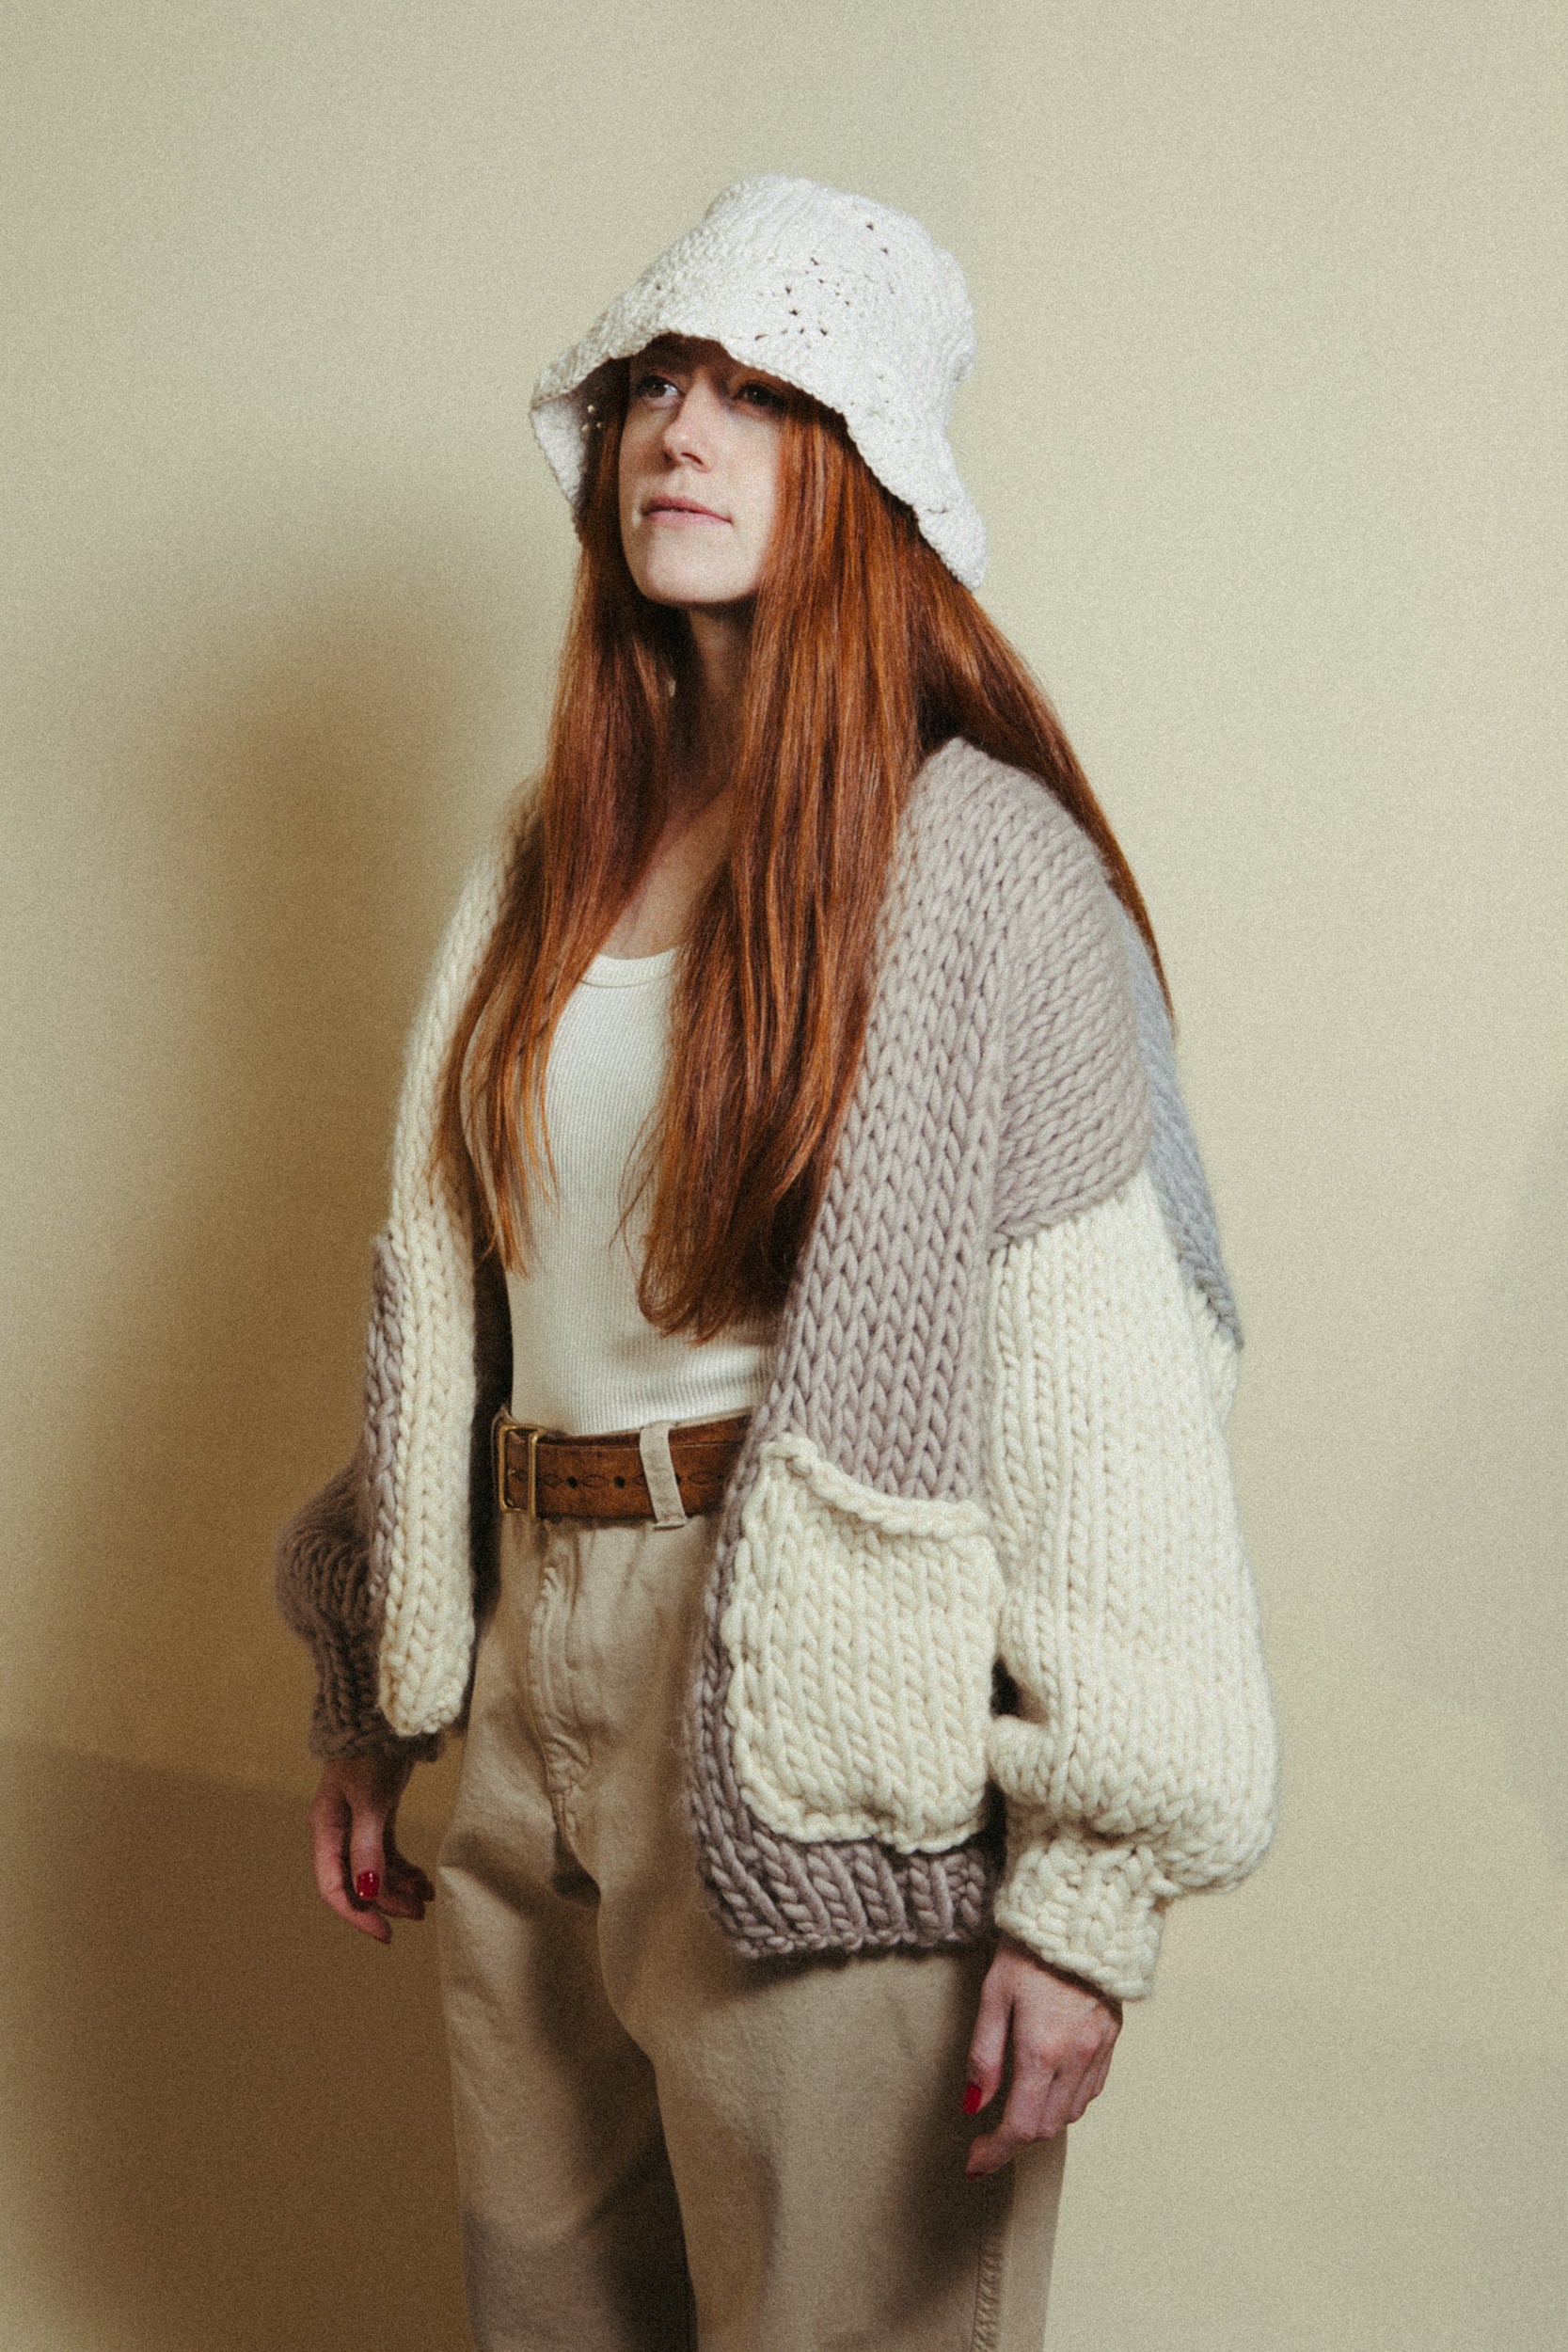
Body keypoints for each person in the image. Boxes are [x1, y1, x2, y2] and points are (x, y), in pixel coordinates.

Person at [276, 175, 1280, 2352]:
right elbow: (486, 1306)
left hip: (822, 1698)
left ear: (869, 462)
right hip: (536, 1681)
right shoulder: (547, 859)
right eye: (657, 380)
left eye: (756, 389)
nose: (682, 427)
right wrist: (375, 1661)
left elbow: (1115, 1384)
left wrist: (1092, 1887)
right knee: (551, 2319)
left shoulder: (984, 869)